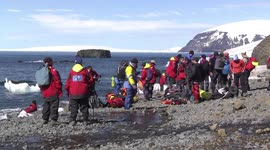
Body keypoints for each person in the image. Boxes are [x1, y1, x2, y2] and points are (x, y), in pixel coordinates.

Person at [65, 55, 90, 126]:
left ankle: (73, 120)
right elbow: (89, 80)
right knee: (84, 106)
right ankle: (85, 120)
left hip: (73, 93)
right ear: (81, 63)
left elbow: (68, 83)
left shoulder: (71, 72)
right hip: (83, 92)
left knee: (74, 107)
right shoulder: (85, 71)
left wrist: (67, 91)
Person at [39, 57, 62, 125]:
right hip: (53, 91)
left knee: (46, 105)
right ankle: (53, 120)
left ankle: (45, 119)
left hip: (45, 91)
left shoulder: (42, 71)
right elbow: (57, 81)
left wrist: (42, 90)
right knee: (54, 106)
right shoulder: (53, 71)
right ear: (51, 62)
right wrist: (59, 89)